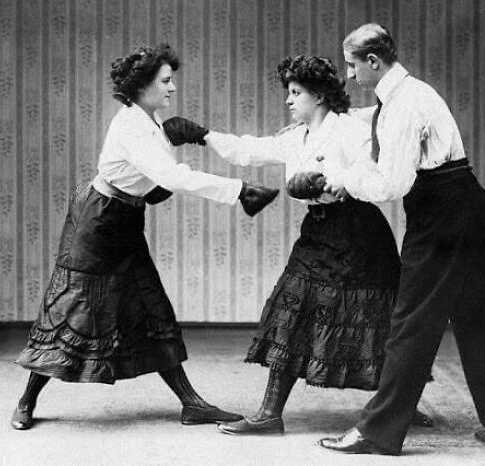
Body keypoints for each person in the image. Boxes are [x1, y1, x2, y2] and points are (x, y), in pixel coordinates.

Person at [10, 43, 279, 430]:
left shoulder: (147, 122)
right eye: (166, 81)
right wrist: (239, 190)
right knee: (73, 309)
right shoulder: (131, 126)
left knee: (151, 305)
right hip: (97, 222)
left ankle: (192, 403)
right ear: (141, 86)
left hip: (125, 219)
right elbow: (168, 178)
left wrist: (186, 137)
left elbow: (151, 183)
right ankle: (25, 401)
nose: (172, 89)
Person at [163, 55, 431, 435]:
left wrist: (326, 180)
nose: (288, 100)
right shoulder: (295, 136)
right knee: (293, 311)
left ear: (319, 94)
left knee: (377, 319)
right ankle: (271, 413)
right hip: (318, 233)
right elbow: (249, 150)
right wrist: (202, 135)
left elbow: (371, 170)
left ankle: (399, 405)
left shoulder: (348, 128)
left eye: (295, 92)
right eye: (287, 92)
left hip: (359, 232)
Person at [318, 23, 485, 455]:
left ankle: (377, 432)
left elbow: (392, 185)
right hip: (466, 207)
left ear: (374, 61)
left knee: (410, 323)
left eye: (354, 66)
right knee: (474, 325)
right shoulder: (409, 94)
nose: (351, 76)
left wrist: (344, 179)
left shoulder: (403, 105)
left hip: (441, 217)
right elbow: (368, 124)